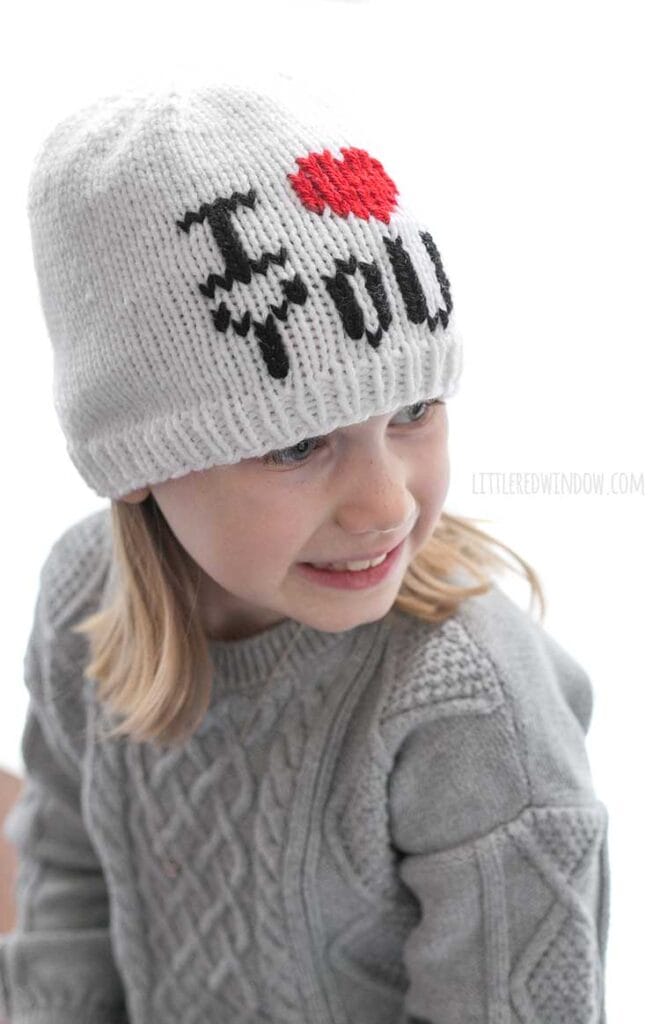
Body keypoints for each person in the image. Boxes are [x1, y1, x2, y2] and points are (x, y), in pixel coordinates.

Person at [0, 73, 610, 1024]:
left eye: (413, 410)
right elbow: (70, 881)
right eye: (296, 444)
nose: (384, 505)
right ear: (136, 461)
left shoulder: (472, 708)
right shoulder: (87, 594)